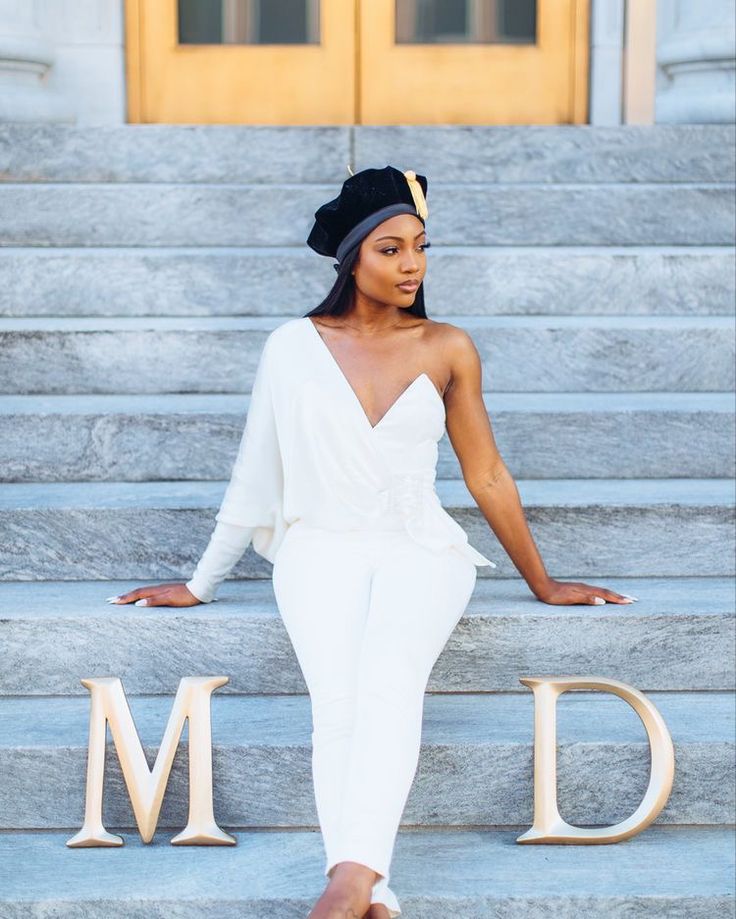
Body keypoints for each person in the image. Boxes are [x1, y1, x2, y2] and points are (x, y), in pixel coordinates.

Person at [106, 165, 637, 919]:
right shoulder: (293, 346)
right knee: (339, 703)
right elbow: (254, 474)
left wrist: (544, 581)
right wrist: (202, 581)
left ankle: (344, 883)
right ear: (351, 256)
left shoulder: (448, 346)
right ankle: (370, 887)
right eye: (390, 249)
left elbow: (485, 473)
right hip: (319, 547)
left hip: (421, 548)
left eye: (421, 246)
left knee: (389, 680)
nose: (412, 264)